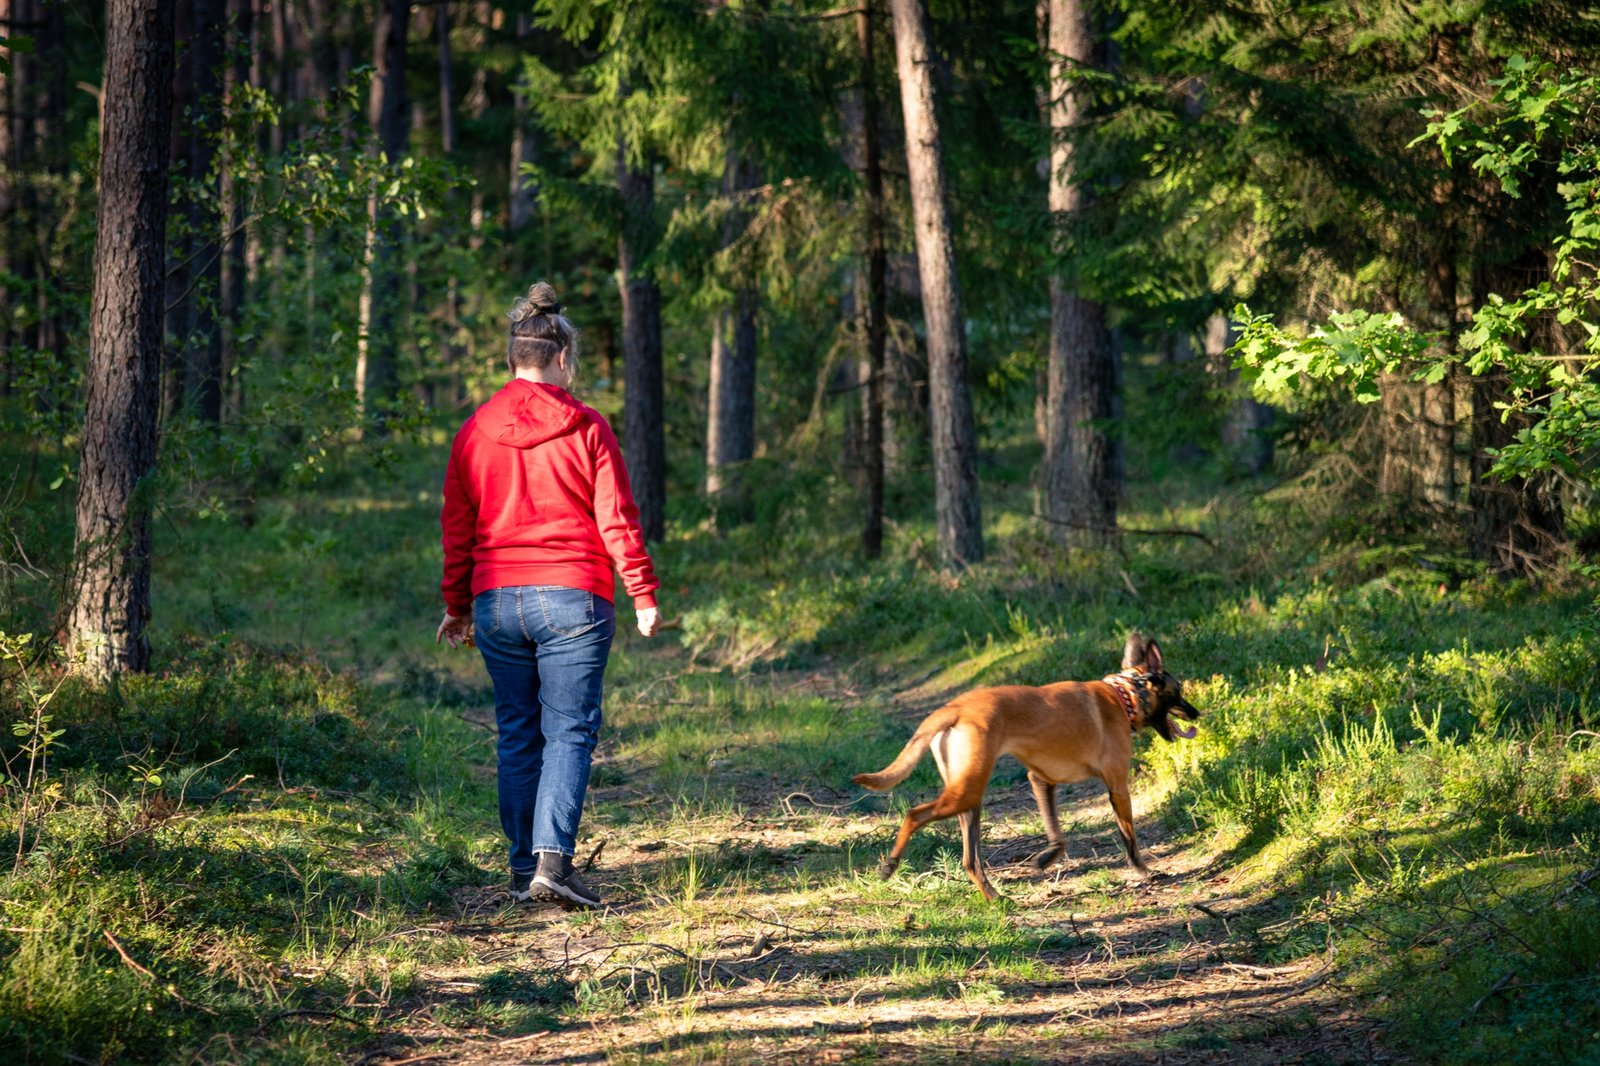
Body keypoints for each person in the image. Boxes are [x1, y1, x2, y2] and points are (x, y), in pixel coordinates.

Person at [436, 281, 660, 909]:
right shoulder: (587, 426)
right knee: (568, 732)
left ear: (512, 361)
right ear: (562, 358)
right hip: (572, 598)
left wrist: (458, 605)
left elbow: (458, 527)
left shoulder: (475, 431)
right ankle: (552, 866)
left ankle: (519, 871)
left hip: (498, 602)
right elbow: (617, 516)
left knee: (516, 733)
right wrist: (642, 592)